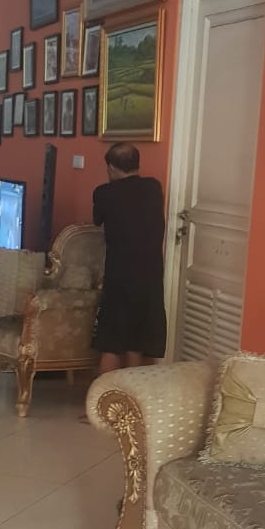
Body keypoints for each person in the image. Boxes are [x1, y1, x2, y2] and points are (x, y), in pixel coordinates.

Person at [92, 141, 166, 375]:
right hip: (150, 275)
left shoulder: (104, 193)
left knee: (112, 340)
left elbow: (97, 220)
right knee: (139, 339)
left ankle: (104, 395)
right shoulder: (154, 187)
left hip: (120, 275)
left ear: (112, 168)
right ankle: (135, 393)